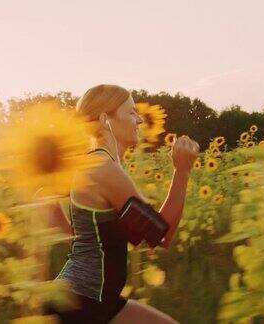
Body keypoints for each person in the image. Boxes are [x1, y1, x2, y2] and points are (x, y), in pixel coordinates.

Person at [45, 84, 199, 324]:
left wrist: (77, 237)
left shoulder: (99, 165)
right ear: (106, 120)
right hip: (80, 305)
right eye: (131, 112)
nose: (139, 120)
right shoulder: (104, 169)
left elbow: (43, 195)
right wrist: (182, 171)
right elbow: (160, 235)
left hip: (97, 301)